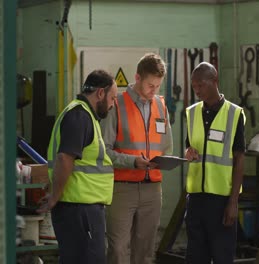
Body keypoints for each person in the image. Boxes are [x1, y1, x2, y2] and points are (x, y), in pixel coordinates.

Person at [38, 69, 118, 264]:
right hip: (81, 210)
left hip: (80, 209)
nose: (113, 104)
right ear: (100, 93)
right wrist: (55, 197)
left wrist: (55, 192)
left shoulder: (81, 115)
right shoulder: (80, 116)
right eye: (112, 98)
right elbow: (65, 159)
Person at [101, 53, 173, 264]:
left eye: (158, 86)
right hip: (122, 188)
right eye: (151, 85)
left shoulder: (160, 105)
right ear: (138, 78)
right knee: (118, 250)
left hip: (153, 189)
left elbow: (166, 146)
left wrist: (168, 160)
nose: (154, 91)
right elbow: (104, 151)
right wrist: (132, 162)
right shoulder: (118, 104)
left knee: (145, 251)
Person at [184, 62, 246, 264]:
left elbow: (239, 159)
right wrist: (189, 152)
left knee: (222, 256)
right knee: (195, 257)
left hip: (221, 201)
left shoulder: (234, 114)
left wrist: (233, 202)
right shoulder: (191, 113)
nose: (197, 90)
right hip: (195, 200)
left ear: (215, 81)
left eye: (201, 85)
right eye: (194, 86)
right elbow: (189, 147)